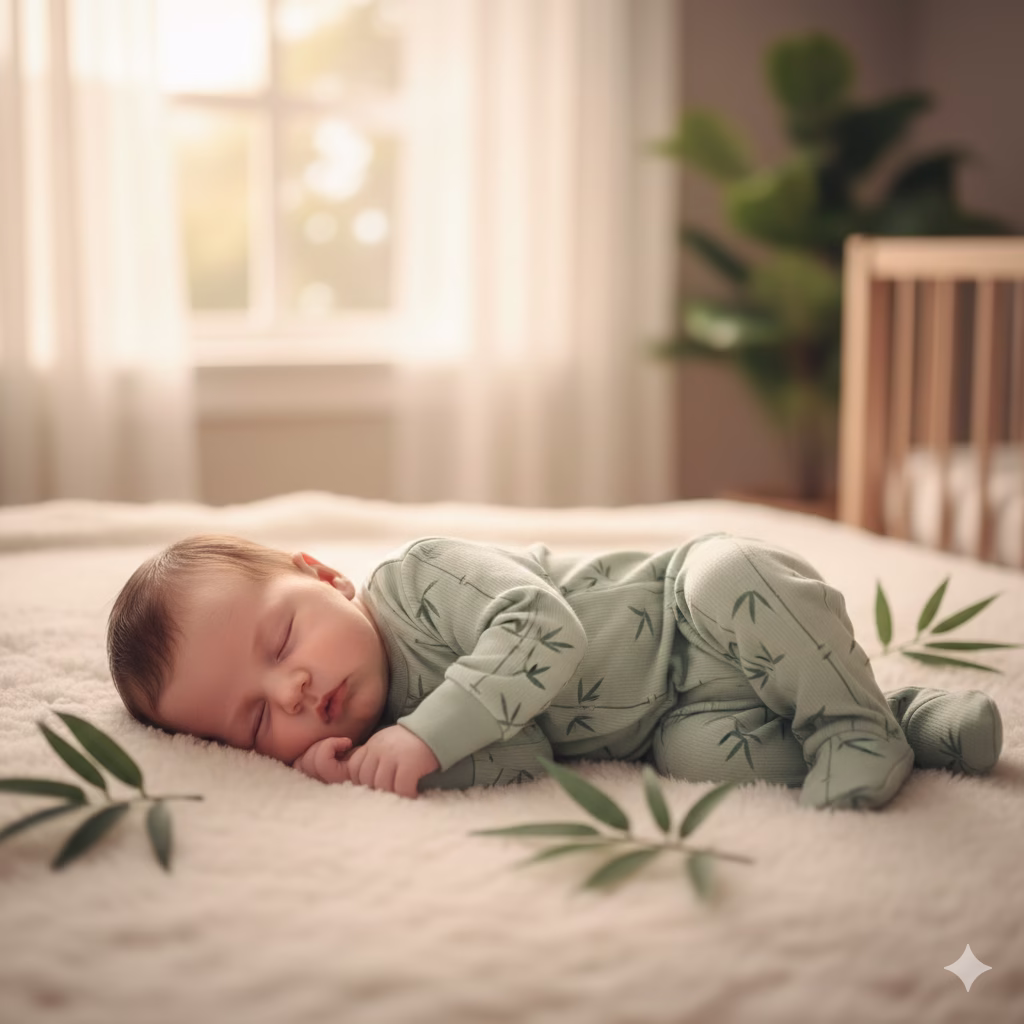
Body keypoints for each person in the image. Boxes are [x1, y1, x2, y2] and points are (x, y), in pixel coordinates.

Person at [107, 533, 1003, 810]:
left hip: (693, 611)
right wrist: (395, 767)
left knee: (741, 583)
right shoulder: (396, 734)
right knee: (707, 759)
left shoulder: (419, 582)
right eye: (259, 721)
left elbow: (545, 628)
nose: (293, 690)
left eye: (280, 643)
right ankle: (910, 721)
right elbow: (527, 754)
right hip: (669, 718)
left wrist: (428, 732)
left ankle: (854, 730)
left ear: (323, 576)